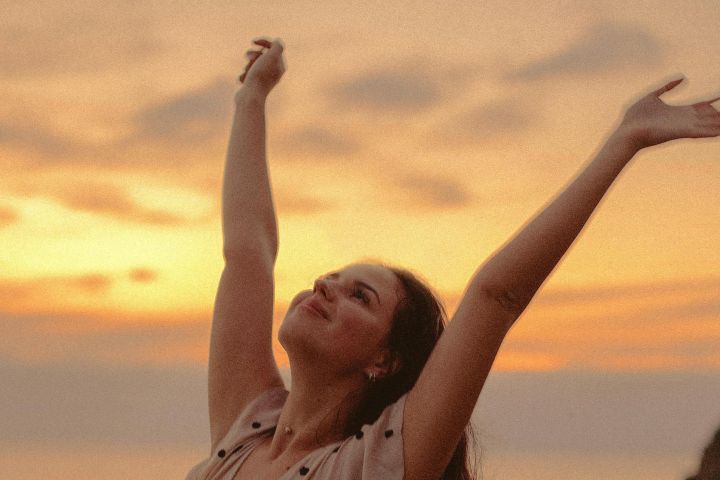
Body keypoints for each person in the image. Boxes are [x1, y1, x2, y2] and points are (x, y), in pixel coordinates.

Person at [185, 36, 720, 480]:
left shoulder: (377, 465)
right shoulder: (247, 427)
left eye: (359, 296)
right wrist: (251, 99)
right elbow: (248, 252)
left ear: (384, 360)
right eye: (333, 277)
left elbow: (496, 295)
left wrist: (622, 142)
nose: (325, 286)